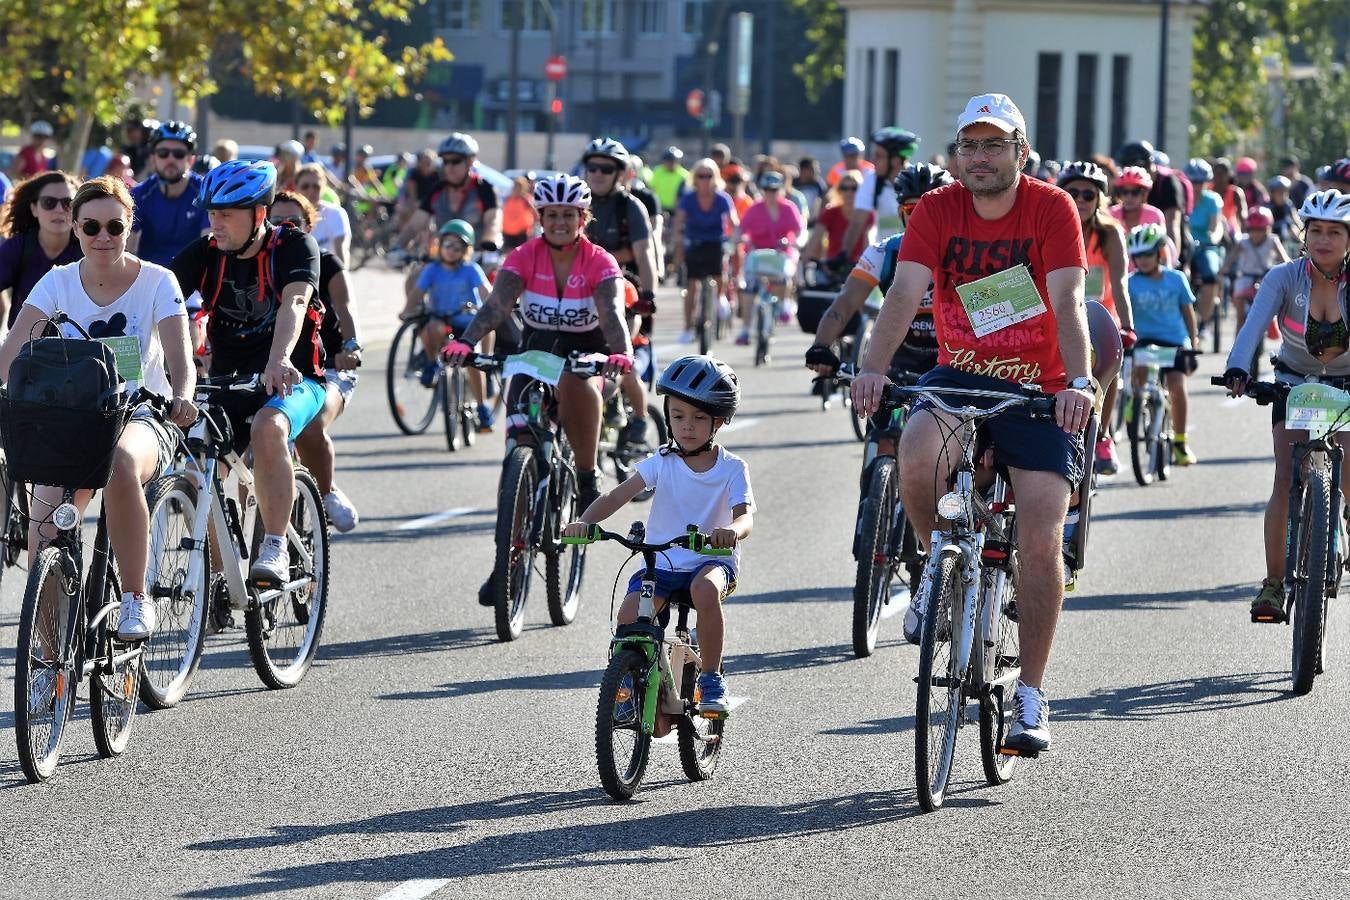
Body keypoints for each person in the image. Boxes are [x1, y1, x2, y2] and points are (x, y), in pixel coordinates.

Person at [852, 93, 1095, 755]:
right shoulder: (936, 208)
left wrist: (1077, 382)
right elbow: (903, 292)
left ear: (1020, 151)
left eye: (994, 145)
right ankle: (937, 566)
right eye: (970, 146)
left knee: (1041, 535)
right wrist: (873, 369)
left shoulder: (1052, 207)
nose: (980, 158)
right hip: (958, 376)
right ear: (956, 154)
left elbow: (1070, 298)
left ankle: (1031, 695)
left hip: (1040, 389)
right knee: (916, 453)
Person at [0, 175, 197, 641]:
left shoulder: (157, 280)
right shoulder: (57, 282)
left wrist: (183, 395)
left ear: (129, 226)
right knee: (43, 518)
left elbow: (179, 359)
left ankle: (135, 599)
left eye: (114, 226)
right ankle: (49, 654)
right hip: (72, 418)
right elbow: (10, 356)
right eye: (91, 227)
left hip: (145, 414)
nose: (103, 237)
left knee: (121, 464)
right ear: (75, 227)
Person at [442, 174, 634, 606]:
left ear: (583, 218)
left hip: (590, 353)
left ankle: (586, 477)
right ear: (540, 217)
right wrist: (465, 343)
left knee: (574, 379)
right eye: (553, 215)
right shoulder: (524, 256)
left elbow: (611, 315)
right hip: (538, 351)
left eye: (569, 215)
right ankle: (504, 562)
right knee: (518, 448)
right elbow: (496, 307)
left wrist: (621, 353)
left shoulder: (600, 262)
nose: (561, 222)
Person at [562, 355, 753, 717]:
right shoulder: (662, 461)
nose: (687, 426)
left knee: (705, 589)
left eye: (699, 418)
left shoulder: (732, 468)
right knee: (629, 615)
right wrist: (583, 523)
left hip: (710, 561)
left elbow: (745, 518)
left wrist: (730, 532)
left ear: (720, 420)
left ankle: (711, 677)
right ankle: (632, 684)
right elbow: (617, 495)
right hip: (663, 562)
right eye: (678, 415)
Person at [169, 159, 328, 587]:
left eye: (226, 214)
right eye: (212, 213)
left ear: (259, 214)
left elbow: (295, 303)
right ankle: (221, 580)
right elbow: (159, 302)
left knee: (269, 425)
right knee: (192, 472)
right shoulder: (205, 253)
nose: (215, 223)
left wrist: (279, 359)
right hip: (226, 382)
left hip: (295, 379)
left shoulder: (294, 247)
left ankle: (274, 545)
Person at [1222, 190, 1350, 621]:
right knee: (1285, 478)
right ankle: (1274, 585)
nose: (1324, 240)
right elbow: (1253, 326)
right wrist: (1238, 368)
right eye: (1316, 230)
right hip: (1295, 384)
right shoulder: (1283, 277)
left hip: (1348, 386)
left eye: (1335, 232)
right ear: (1304, 235)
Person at [806, 162, 952, 449]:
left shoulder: (961, 253)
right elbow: (846, 302)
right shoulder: (884, 252)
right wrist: (821, 345)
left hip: (948, 366)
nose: (922, 220)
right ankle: (872, 488)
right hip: (896, 361)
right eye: (913, 212)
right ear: (901, 214)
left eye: (930, 211)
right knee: (880, 440)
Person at [268, 190, 363, 532]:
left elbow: (346, 307)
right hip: (278, 368)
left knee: (309, 423)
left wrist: (351, 347)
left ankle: (325, 491)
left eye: (294, 222)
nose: (285, 228)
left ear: (311, 228)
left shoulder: (327, 262)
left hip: (330, 367)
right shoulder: (259, 263)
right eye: (277, 222)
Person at [582, 138, 657, 451]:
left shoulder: (632, 207)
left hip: (627, 297)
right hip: (583, 293)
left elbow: (645, 255)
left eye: (606, 168)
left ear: (620, 173)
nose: (598, 173)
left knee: (620, 354)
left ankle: (639, 418)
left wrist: (648, 295)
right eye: (592, 167)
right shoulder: (576, 205)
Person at [1060, 160, 1134, 475]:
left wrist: (1128, 326)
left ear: (1099, 199)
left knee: (1110, 357)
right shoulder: (1050, 227)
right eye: (1072, 192)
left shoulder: (1110, 234)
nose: (1079, 200)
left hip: (1098, 314)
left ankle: (1102, 434)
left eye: (1087, 195)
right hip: (1061, 312)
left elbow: (1119, 283)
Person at [406, 219, 494, 429]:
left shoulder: (471, 269)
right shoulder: (432, 270)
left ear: (465, 250)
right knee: (430, 328)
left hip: (467, 324)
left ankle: (482, 406)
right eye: (447, 245)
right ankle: (430, 364)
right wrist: (406, 310)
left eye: (458, 247)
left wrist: (492, 306)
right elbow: (417, 293)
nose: (451, 251)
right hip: (440, 319)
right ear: (440, 245)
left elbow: (487, 293)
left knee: (471, 360)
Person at [1126, 223, 1200, 465]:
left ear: (1159, 252)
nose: (1143, 260)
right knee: (1137, 370)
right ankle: (1135, 403)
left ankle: (1180, 442)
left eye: (1147, 254)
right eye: (1138, 256)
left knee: (1177, 386)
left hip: (1175, 340)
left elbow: (1188, 312)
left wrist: (1194, 340)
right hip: (1145, 340)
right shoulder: (1129, 282)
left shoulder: (1176, 279)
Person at [0, 171, 82, 328]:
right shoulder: (19, 246)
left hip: (77, 347)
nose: (59, 209)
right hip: (24, 346)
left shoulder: (88, 248)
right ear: (34, 209)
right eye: (49, 202)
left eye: (68, 203)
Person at [732, 170, 804, 346]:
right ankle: (745, 330)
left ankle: (782, 304)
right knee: (749, 287)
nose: (771, 193)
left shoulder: (789, 208)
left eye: (774, 189)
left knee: (784, 276)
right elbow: (740, 231)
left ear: (781, 189)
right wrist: (738, 240)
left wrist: (795, 242)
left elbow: (800, 231)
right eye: (767, 189)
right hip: (758, 254)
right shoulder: (754, 209)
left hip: (782, 254)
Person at [128, 121, 211, 269]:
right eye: (163, 153)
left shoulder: (206, 192)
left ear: (190, 160)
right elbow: (127, 250)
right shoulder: (139, 195)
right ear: (153, 159)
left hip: (192, 280)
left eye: (179, 154)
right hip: (150, 279)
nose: (170, 159)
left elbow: (210, 247)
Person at [671, 159, 737, 342]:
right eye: (701, 176)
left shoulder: (723, 198)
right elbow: (679, 221)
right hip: (695, 243)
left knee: (720, 269)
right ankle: (687, 327)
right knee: (691, 285)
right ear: (695, 178)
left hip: (716, 243)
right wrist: (677, 236)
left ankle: (721, 298)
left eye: (709, 175)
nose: (705, 179)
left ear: (715, 177)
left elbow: (733, 221)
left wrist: (738, 236)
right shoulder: (688, 199)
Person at [843, 127, 919, 251]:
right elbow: (857, 223)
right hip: (884, 253)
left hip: (913, 255)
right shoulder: (872, 179)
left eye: (878, 156)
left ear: (894, 160)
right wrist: (843, 254)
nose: (872, 160)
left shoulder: (919, 180)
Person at [1219, 207, 1290, 334]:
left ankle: (1271, 322)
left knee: (1270, 304)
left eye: (1260, 230)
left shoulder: (1272, 240)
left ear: (1267, 229)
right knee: (1240, 313)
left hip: (1266, 278)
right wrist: (1224, 269)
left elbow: (1284, 259)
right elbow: (1231, 258)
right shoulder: (1243, 242)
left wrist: (1288, 270)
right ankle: (1238, 340)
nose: (1256, 234)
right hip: (1245, 277)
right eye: (1253, 230)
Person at [1117, 140, 1186, 261]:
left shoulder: (1168, 182)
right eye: (1125, 192)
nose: (1129, 196)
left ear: (1149, 165)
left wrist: (1171, 263)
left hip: (1166, 244)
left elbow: (1172, 224)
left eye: (1136, 192)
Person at [1182, 158, 1226, 337]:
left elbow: (1216, 226)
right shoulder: (1181, 199)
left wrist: (1213, 238)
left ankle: (1203, 323)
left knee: (1210, 275)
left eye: (1201, 182)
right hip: (1185, 247)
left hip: (1205, 246)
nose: (1197, 186)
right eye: (1193, 181)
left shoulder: (1212, 200)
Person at [801, 169, 873, 274]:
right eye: (845, 188)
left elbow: (868, 240)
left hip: (859, 267)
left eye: (854, 188)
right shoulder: (830, 212)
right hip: (831, 266)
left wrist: (867, 264)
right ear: (839, 190)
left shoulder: (867, 214)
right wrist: (806, 258)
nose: (849, 193)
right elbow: (816, 237)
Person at [293, 163, 351, 267]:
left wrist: (343, 276)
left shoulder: (336, 214)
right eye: (305, 186)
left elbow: (341, 250)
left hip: (329, 275)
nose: (311, 191)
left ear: (323, 188)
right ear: (296, 188)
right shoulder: (290, 215)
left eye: (316, 187)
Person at [648, 146, 689, 216]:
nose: (671, 163)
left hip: (677, 210)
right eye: (668, 160)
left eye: (673, 160)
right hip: (660, 208)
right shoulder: (658, 171)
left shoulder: (684, 174)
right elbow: (653, 189)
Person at [501, 175, 537, 250]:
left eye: (518, 187)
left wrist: (532, 229)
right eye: (515, 186)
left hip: (521, 233)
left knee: (521, 253)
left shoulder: (526, 200)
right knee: (509, 255)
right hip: (508, 233)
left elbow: (535, 214)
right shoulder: (508, 199)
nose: (516, 189)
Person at [1266, 175, 1301, 246]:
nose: (1282, 195)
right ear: (1272, 194)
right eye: (1279, 193)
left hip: (1287, 236)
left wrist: (1300, 230)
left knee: (1291, 226)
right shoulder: (1268, 207)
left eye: (1285, 192)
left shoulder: (1288, 204)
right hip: (1272, 237)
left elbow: (1296, 220)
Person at [795, 156, 829, 225]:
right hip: (795, 222)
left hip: (812, 223)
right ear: (803, 170)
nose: (817, 171)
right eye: (813, 169)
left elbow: (825, 200)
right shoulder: (793, 183)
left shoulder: (818, 184)